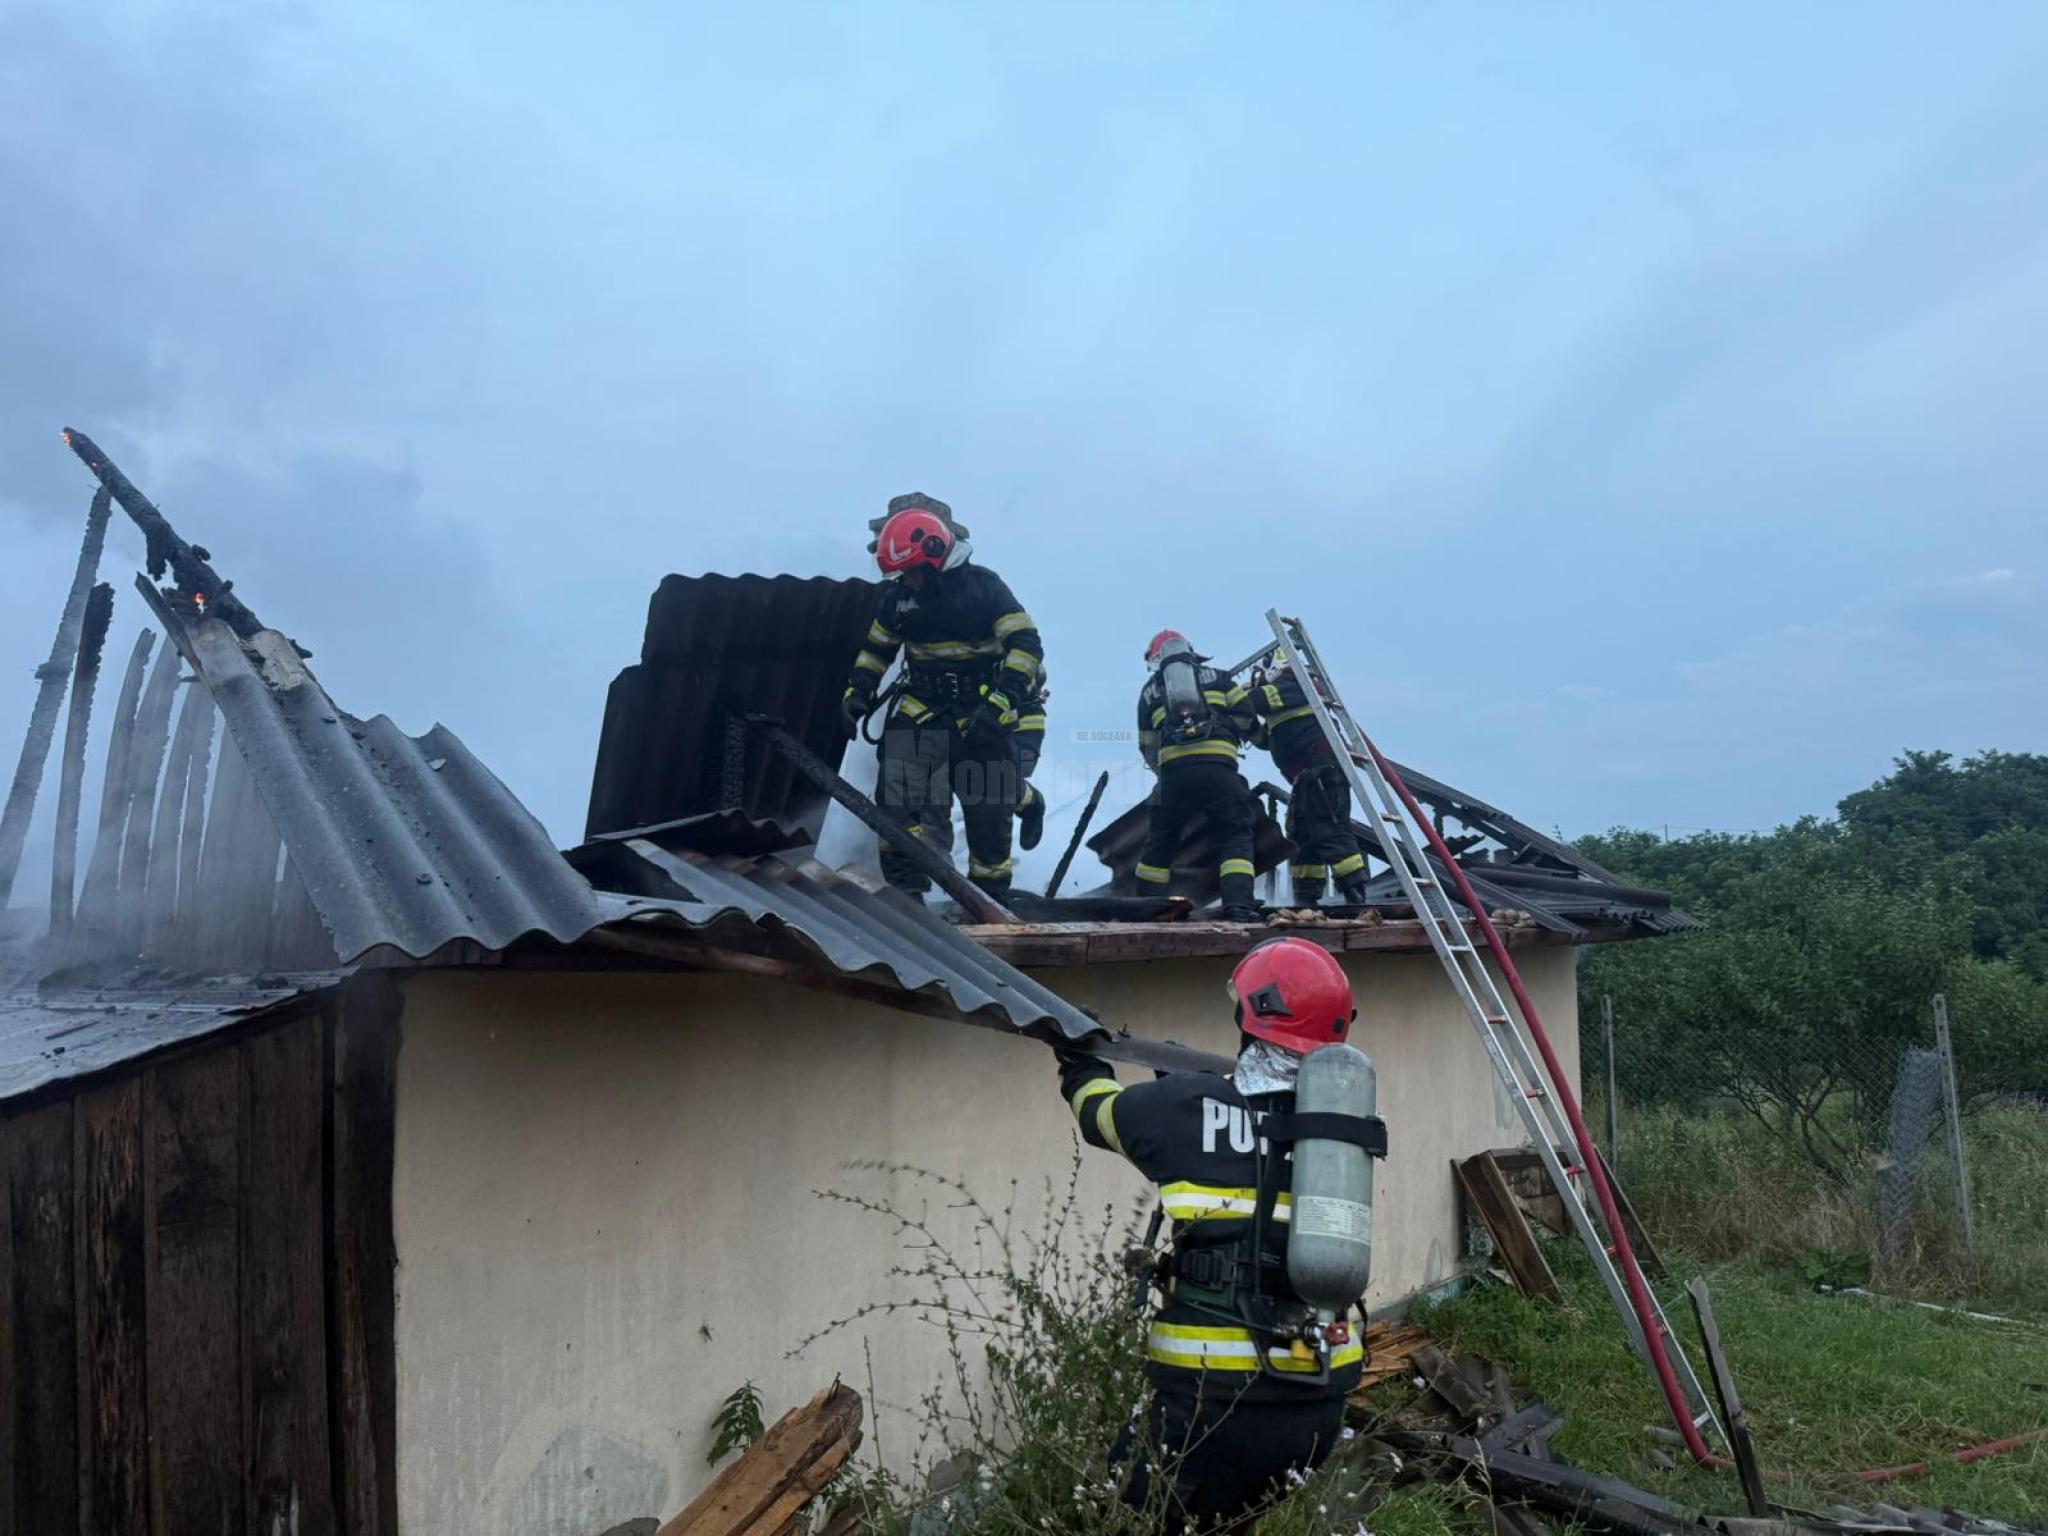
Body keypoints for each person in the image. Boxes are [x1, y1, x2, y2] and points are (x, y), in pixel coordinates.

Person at [1055, 937, 1371, 1532]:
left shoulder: (1183, 1105)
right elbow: (1259, 1128)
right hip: (1318, 1408)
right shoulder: (1339, 1131)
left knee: (1123, 1519)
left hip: (1209, 1404)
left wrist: (1079, 1060)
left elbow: (1097, 1113)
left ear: (1250, 1015)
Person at [841, 496, 1043, 899]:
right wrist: (857, 691)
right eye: (902, 574)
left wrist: (1001, 703)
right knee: (896, 795)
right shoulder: (898, 599)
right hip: (922, 705)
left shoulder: (985, 589)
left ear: (935, 554)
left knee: (986, 804)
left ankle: (990, 900)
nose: (908, 581)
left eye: (913, 572)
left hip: (983, 707)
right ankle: (906, 894)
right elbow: (877, 649)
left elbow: (1026, 645)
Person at [1135, 630, 1262, 922]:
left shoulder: (1148, 692)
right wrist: (1232, 734)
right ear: (1192, 653)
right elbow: (1246, 715)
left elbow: (1147, 743)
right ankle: (1239, 907)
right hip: (1218, 770)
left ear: (1156, 660)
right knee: (1235, 834)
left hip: (1173, 775)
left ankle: (1144, 910)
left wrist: (1164, 774)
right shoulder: (1219, 677)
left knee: (1160, 842)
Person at [1252, 652, 1373, 905]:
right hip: (1306, 778)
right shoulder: (1284, 701)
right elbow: (1264, 740)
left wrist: (1230, 697)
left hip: (1321, 772)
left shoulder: (1295, 683)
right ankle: (1305, 896)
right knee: (1303, 835)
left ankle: (1355, 893)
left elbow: (1258, 700)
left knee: (1328, 829)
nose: (1259, 678)